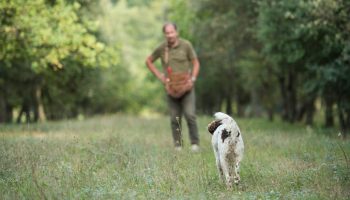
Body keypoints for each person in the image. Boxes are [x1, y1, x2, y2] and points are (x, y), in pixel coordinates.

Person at [145, 22, 200, 152]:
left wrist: (193, 78)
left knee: (190, 115)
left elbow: (196, 62)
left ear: (177, 32)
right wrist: (160, 76)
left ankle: (195, 144)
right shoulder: (162, 48)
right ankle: (178, 146)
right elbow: (148, 61)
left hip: (187, 87)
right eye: (167, 33)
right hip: (171, 88)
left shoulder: (186, 45)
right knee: (175, 118)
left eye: (172, 32)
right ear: (164, 34)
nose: (170, 35)